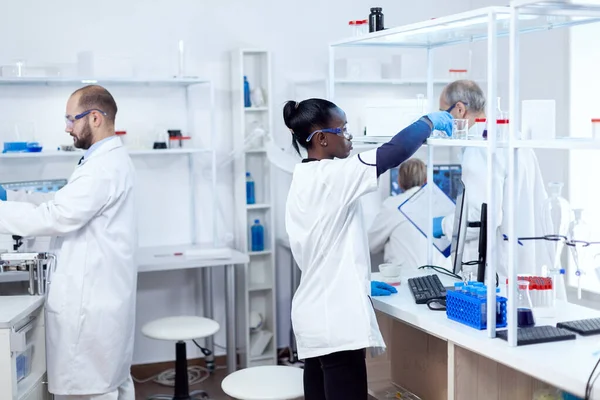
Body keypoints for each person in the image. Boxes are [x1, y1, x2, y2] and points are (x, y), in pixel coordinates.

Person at [283, 98, 453, 400]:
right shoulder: (332, 176)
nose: (350, 136)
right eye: (343, 129)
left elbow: (327, 247)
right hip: (335, 323)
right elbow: (395, 152)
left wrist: (358, 280)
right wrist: (428, 122)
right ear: (321, 139)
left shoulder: (306, 177)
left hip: (314, 317)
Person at [0, 85, 137, 400]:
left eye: (70, 119)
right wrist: (13, 197)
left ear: (94, 118)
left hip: (91, 306)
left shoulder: (102, 168)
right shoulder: (102, 161)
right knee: (108, 385)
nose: (66, 127)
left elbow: (56, 216)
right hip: (101, 299)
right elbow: (63, 202)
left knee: (93, 389)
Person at [432, 80, 550, 277]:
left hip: (500, 265)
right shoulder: (511, 135)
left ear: (459, 109)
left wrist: (444, 225)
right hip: (525, 255)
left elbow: (481, 217)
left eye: (443, 112)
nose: (441, 123)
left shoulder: (479, 147)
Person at [368, 158, 451, 269]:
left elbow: (371, 244)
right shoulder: (442, 204)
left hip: (407, 278)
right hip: (443, 275)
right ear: (426, 180)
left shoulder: (393, 205)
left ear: (400, 182)